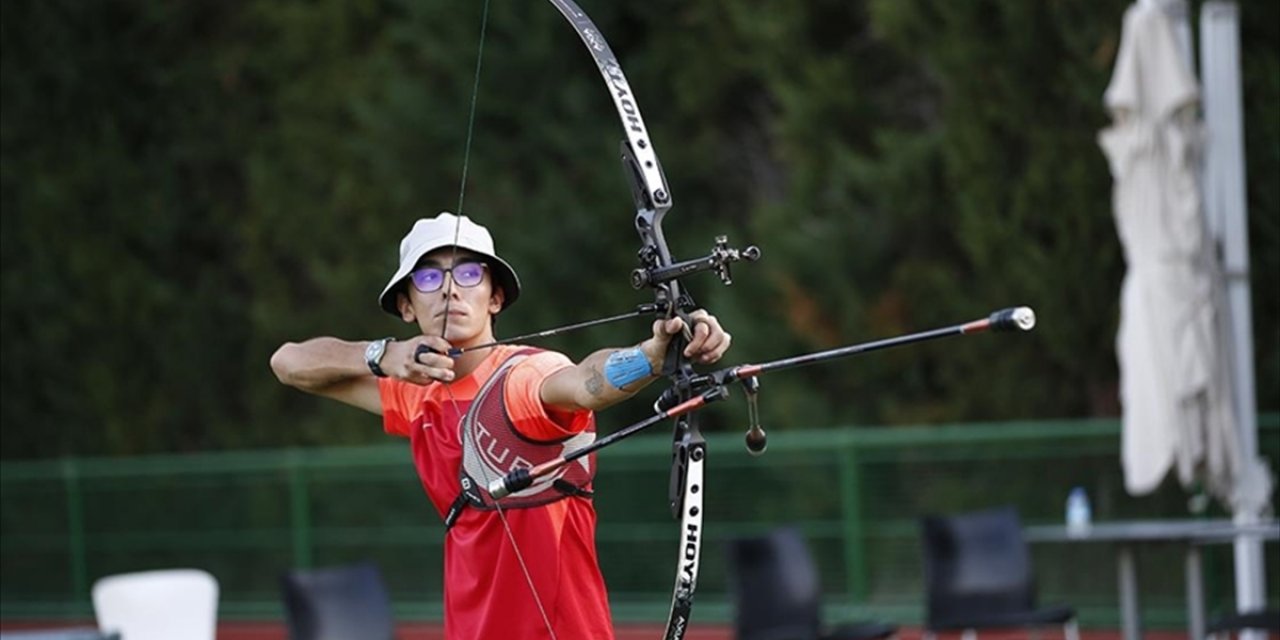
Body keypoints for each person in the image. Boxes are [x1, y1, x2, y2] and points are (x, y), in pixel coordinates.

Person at [270, 212, 732, 639]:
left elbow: (585, 383)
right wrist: (382, 354)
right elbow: (288, 363)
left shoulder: (522, 378)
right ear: (407, 305)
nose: (450, 289)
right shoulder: (416, 393)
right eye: (429, 277)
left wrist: (651, 358)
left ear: (494, 297)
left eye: (469, 274)